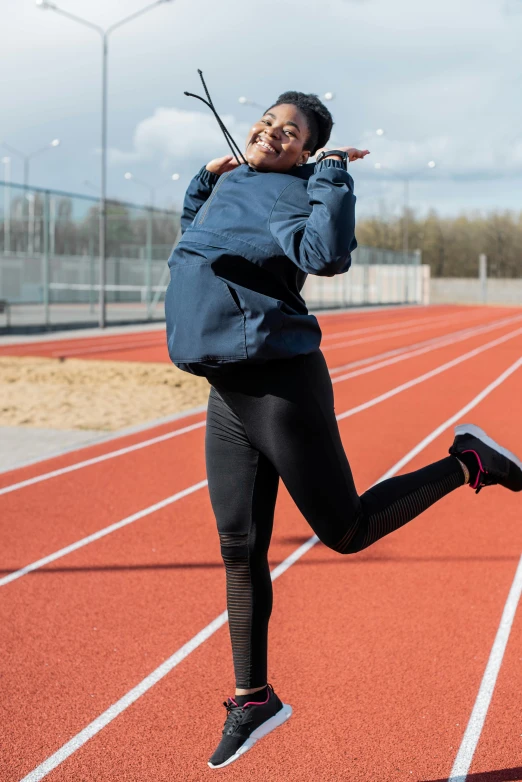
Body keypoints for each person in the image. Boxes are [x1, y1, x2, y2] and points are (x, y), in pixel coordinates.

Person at [164, 91, 522, 770]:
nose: (273, 133)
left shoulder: (299, 192)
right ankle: (253, 698)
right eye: (267, 123)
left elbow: (325, 255)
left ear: (305, 150)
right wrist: (205, 180)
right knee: (239, 548)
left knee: (347, 531)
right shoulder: (232, 182)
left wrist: (330, 177)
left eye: (290, 132)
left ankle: (470, 461)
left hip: (278, 380)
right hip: (225, 386)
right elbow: (192, 238)